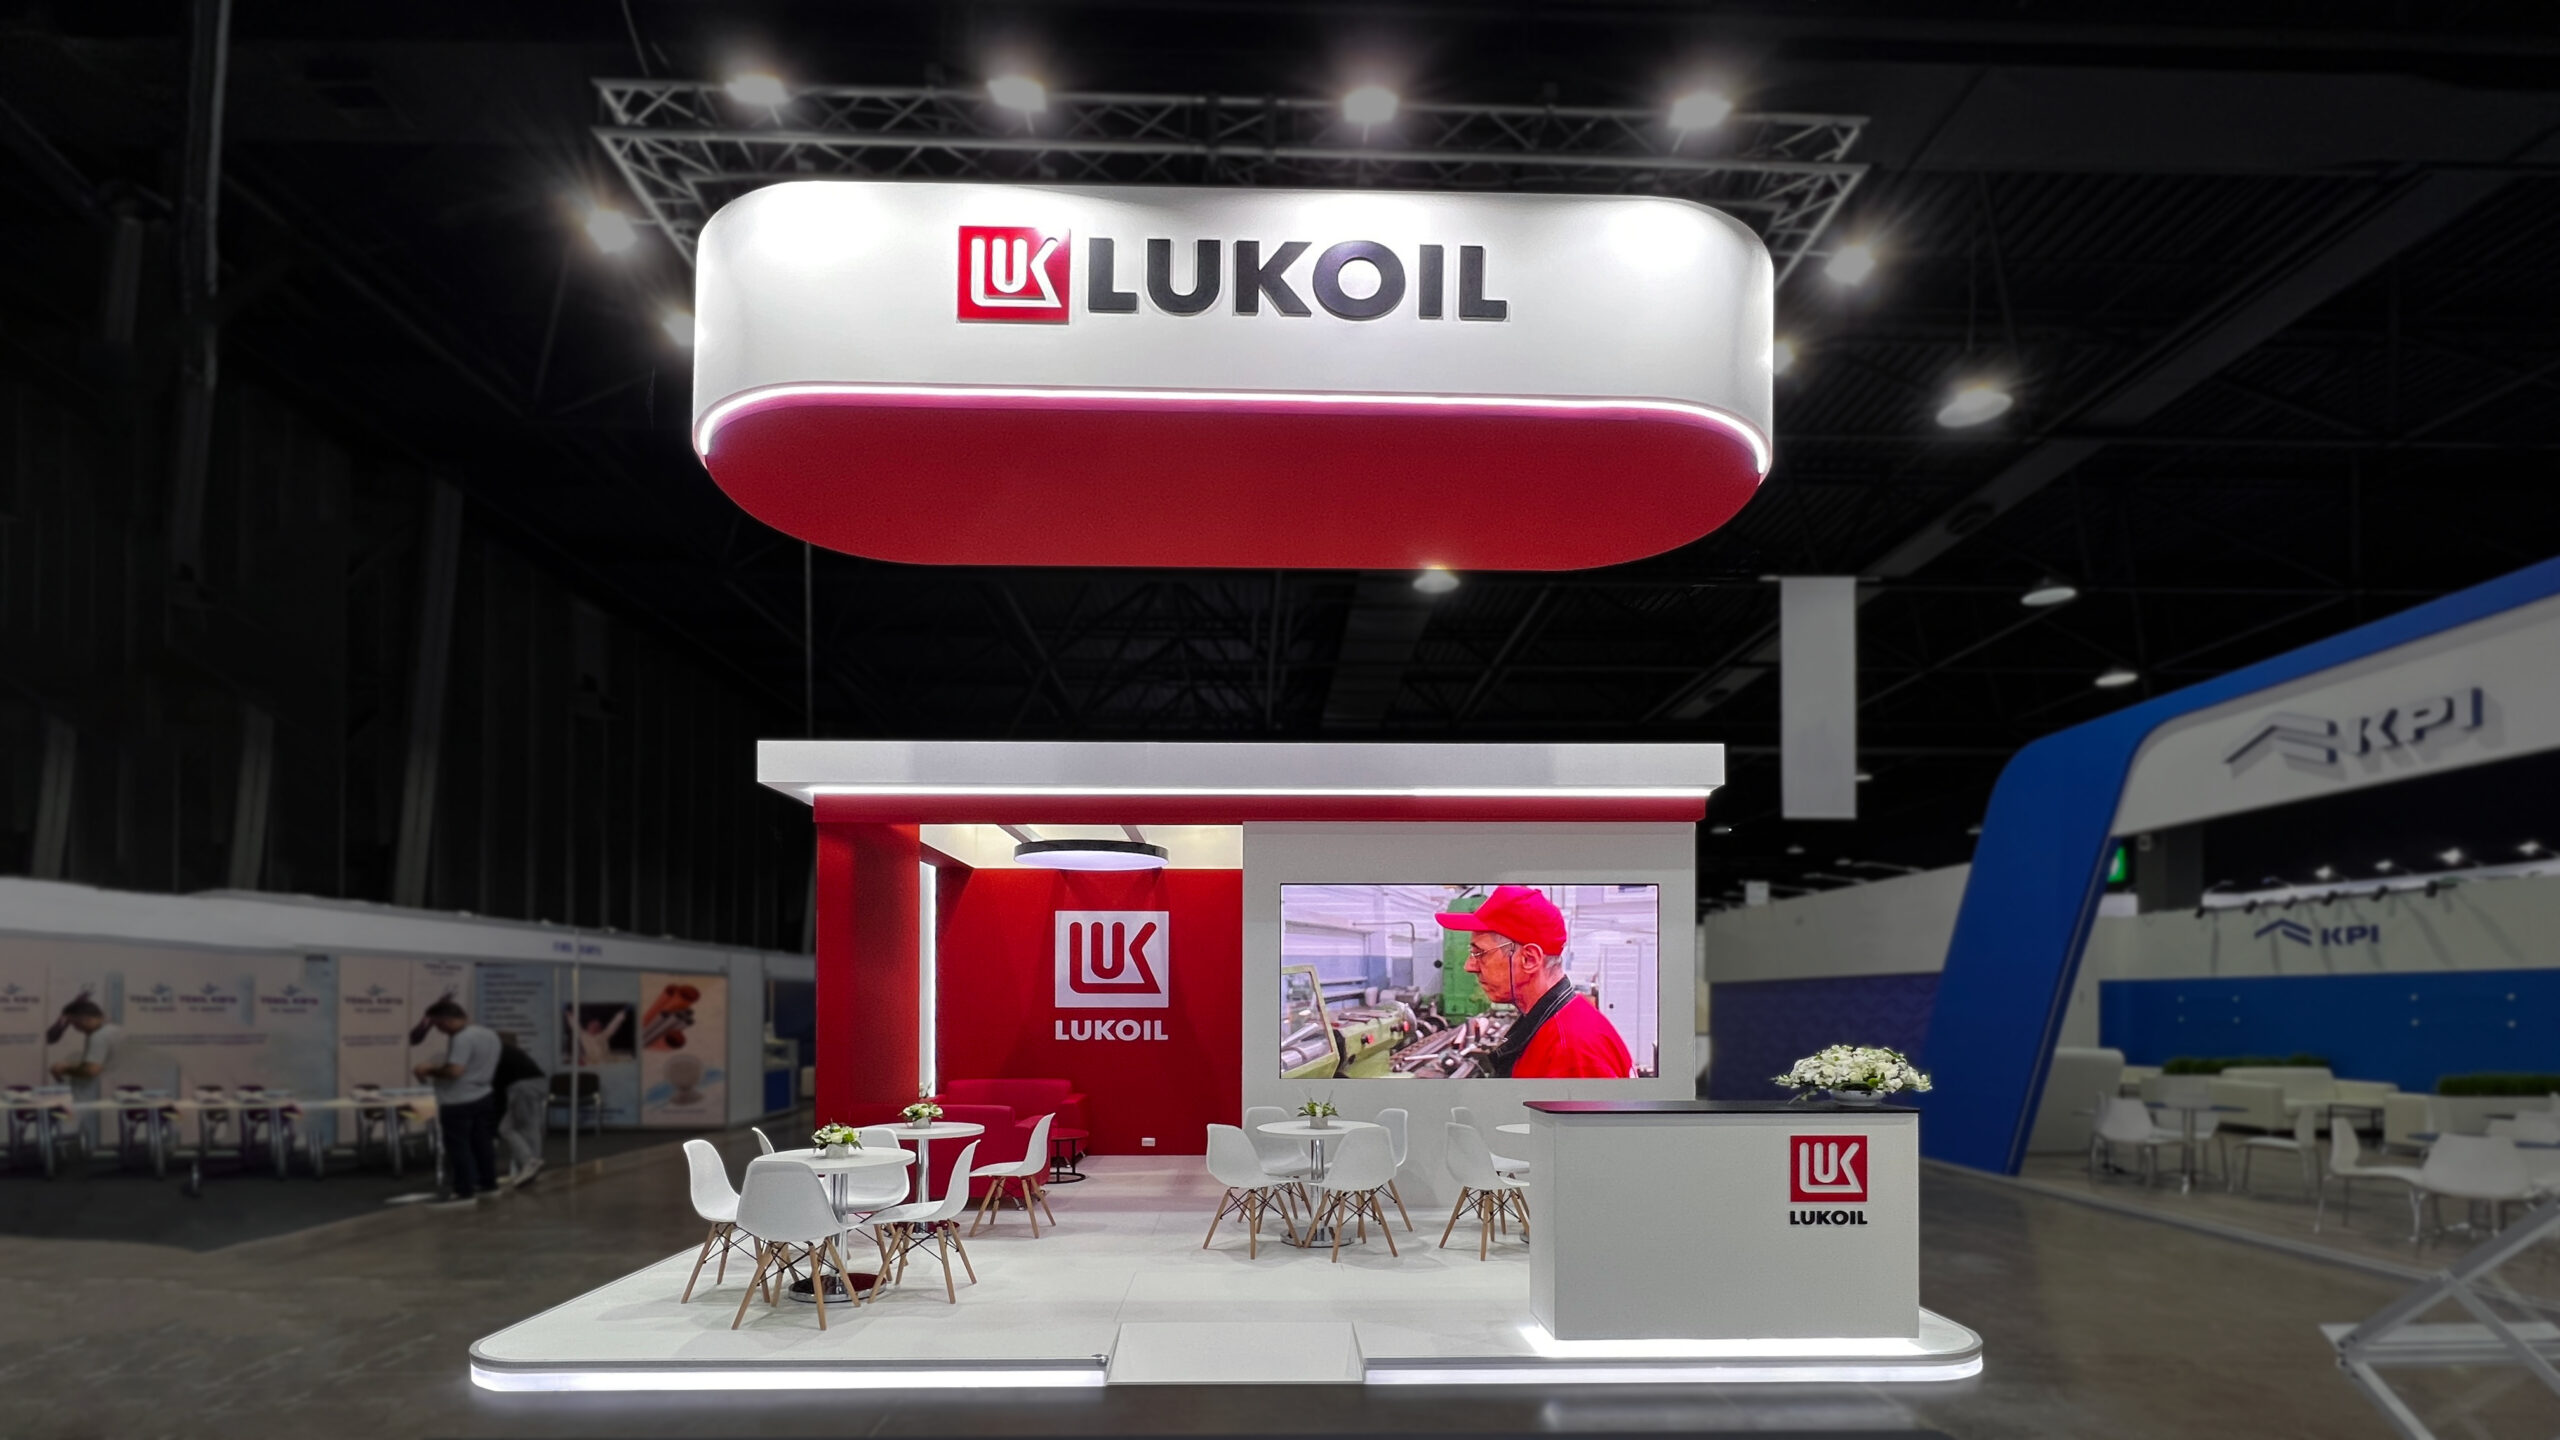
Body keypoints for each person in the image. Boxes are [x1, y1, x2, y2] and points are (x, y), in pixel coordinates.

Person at [1434, 885, 1634, 1080]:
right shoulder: (1558, 1027)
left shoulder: (1570, 1051)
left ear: (1529, 959)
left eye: (1480, 953)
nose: (1469, 966)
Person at [413, 1000, 502, 1207]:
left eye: (438, 1024)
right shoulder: (489, 1034)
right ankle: (489, 1185)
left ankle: (464, 1192)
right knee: (482, 1143)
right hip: (483, 1095)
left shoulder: (462, 1038)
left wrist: (428, 1069)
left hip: (458, 1100)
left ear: (446, 1020)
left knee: (458, 1146)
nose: (439, 1030)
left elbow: (455, 1071)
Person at [491, 1029, 548, 1188]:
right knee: (517, 1127)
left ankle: (530, 1163)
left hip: (522, 1087)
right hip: (531, 1086)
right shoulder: (509, 1052)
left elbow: (497, 1087)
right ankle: (531, 1163)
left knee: (521, 1127)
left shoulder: (497, 1054)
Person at [47, 998, 124, 1103]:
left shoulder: (98, 1036)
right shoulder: (115, 1030)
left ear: (85, 1019)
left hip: (94, 1096)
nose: (76, 1028)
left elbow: (91, 1070)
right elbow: (103, 1063)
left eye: (75, 1023)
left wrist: (64, 1068)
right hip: (111, 1092)